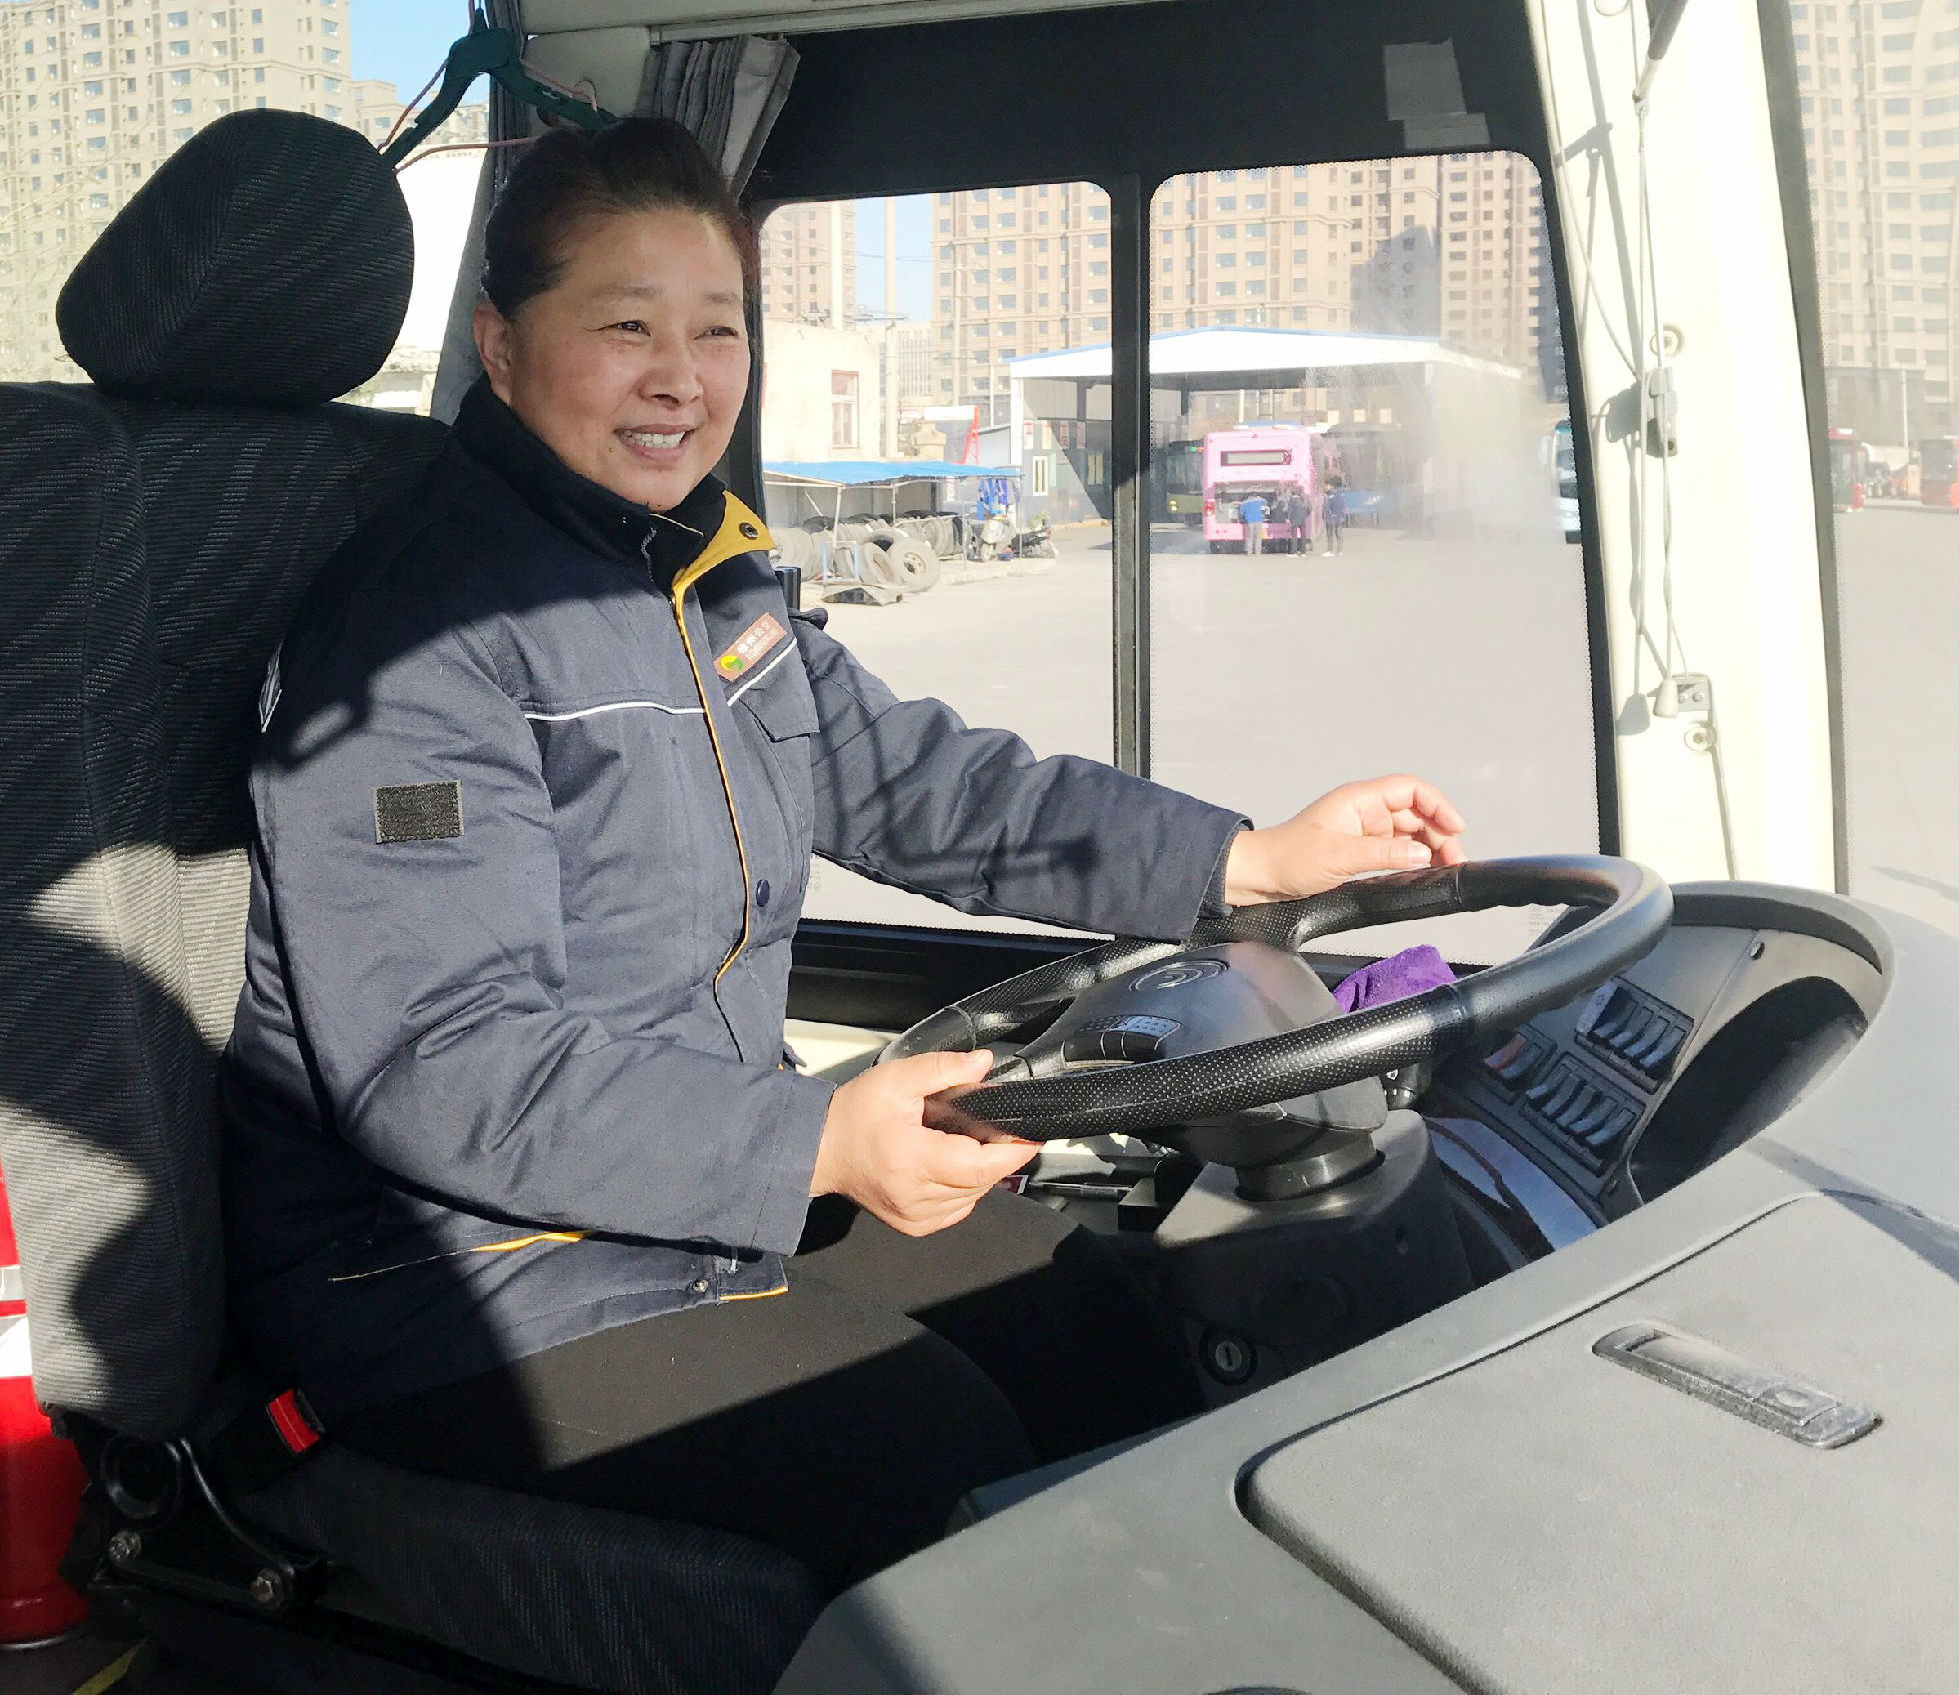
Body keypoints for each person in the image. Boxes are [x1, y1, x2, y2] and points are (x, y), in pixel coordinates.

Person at [221, 119, 1467, 1594]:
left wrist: (1246, 860)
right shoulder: (413, 639)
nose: (681, 377)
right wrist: (812, 1144)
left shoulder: (700, 574)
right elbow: (445, 1063)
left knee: (1101, 1326)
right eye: (625, 327)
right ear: (500, 347)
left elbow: (917, 782)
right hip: (456, 1277)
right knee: (934, 1461)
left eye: (717, 328)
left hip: (675, 1195)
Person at [1281, 482, 1311, 556]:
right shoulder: (1306, 498)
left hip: (1294, 518)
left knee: (1294, 536)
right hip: (1302, 518)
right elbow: (1309, 508)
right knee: (1303, 535)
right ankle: (1303, 552)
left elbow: (1290, 509)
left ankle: (1294, 552)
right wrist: (1305, 515)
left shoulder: (1293, 498)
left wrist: (1288, 518)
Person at [1238, 488, 1267, 555]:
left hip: (1249, 521)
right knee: (1258, 537)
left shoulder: (1244, 503)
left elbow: (1241, 513)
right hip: (1258, 520)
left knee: (1249, 536)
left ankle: (1249, 552)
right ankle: (1257, 552)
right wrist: (1260, 497)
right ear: (1255, 495)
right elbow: (1266, 502)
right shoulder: (1258, 500)